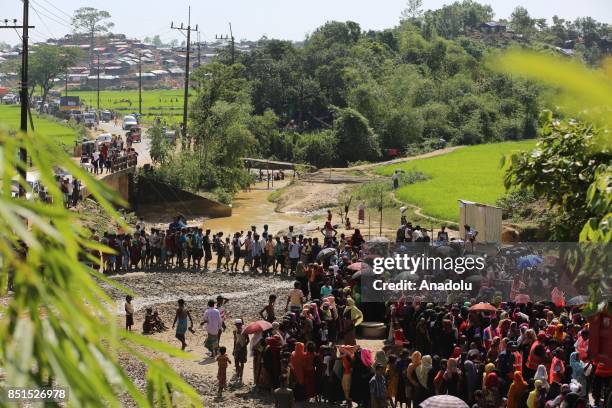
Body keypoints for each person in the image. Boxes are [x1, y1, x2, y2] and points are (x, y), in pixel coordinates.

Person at [232, 319, 249, 384]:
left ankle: (241, 375)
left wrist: (244, 346)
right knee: (236, 362)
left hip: (243, 348)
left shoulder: (244, 331)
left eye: (239, 325)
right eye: (236, 325)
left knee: (242, 363)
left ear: (241, 324)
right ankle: (238, 372)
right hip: (237, 348)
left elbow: (248, 340)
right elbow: (235, 340)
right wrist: (234, 349)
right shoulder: (235, 331)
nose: (237, 326)